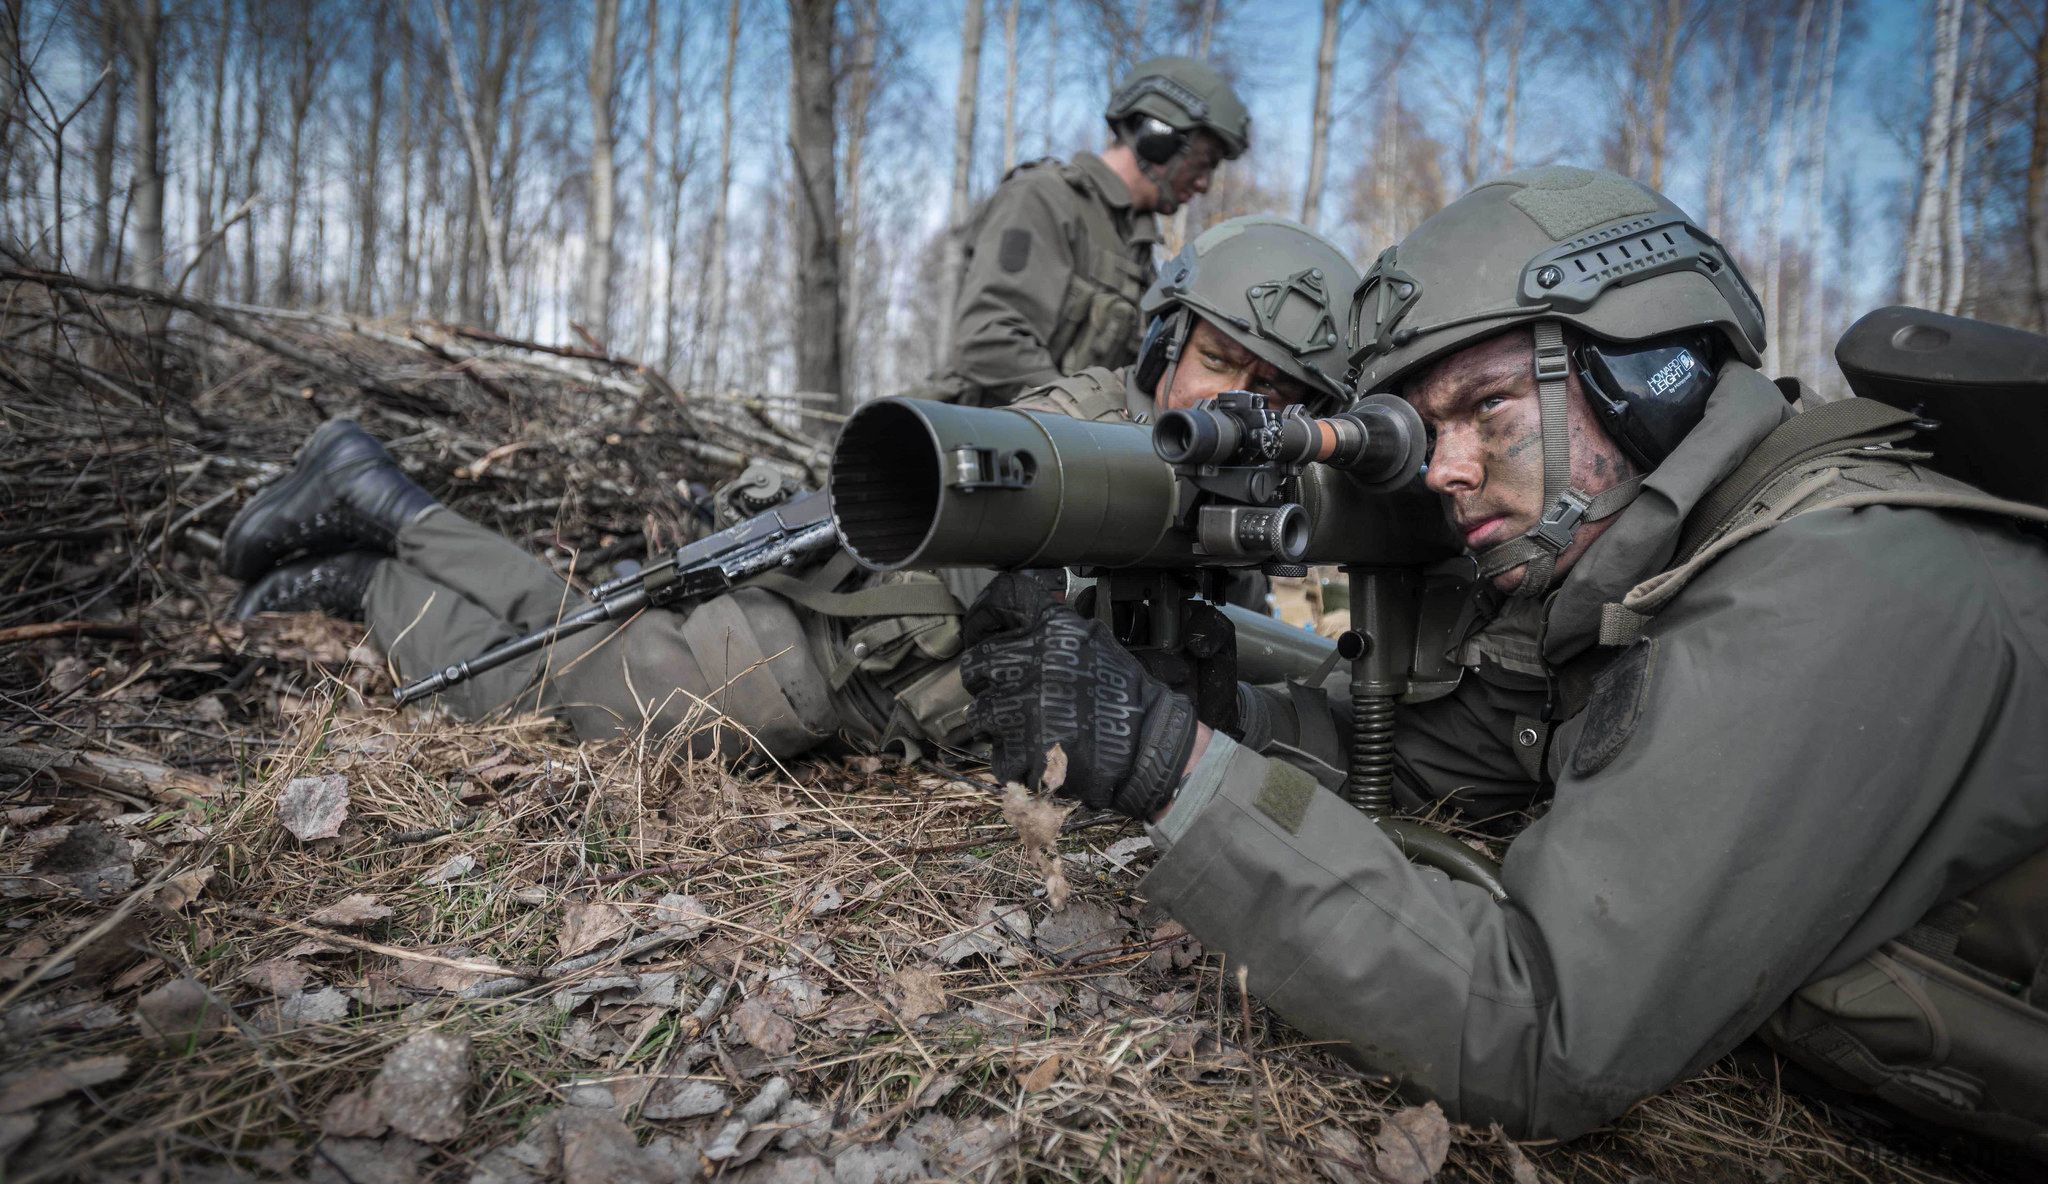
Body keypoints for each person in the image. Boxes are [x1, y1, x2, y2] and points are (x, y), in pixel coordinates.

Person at [957, 166, 2048, 1148]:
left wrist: (1176, 772)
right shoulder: (1635, 569)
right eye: (1431, 431)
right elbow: (1436, 756)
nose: (1446, 470)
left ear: (1648, 371)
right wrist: (1210, 714)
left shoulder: (1829, 585)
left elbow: (1535, 1032)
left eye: (1486, 408)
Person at [220, 215, 1353, 765]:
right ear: (1165, 341)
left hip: (862, 659)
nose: (1238, 403)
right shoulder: (1095, 434)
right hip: (824, 650)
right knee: (552, 703)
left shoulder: (1232, 489)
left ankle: (371, 513)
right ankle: (372, 558)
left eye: (1273, 387)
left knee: (566, 633)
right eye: (1219, 363)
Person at [928, 55, 1251, 408]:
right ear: (1158, 138)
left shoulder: (1136, 246)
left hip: (1060, 445)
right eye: (1203, 162)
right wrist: (1086, 418)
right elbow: (988, 341)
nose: (1204, 184)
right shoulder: (1044, 197)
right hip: (985, 434)